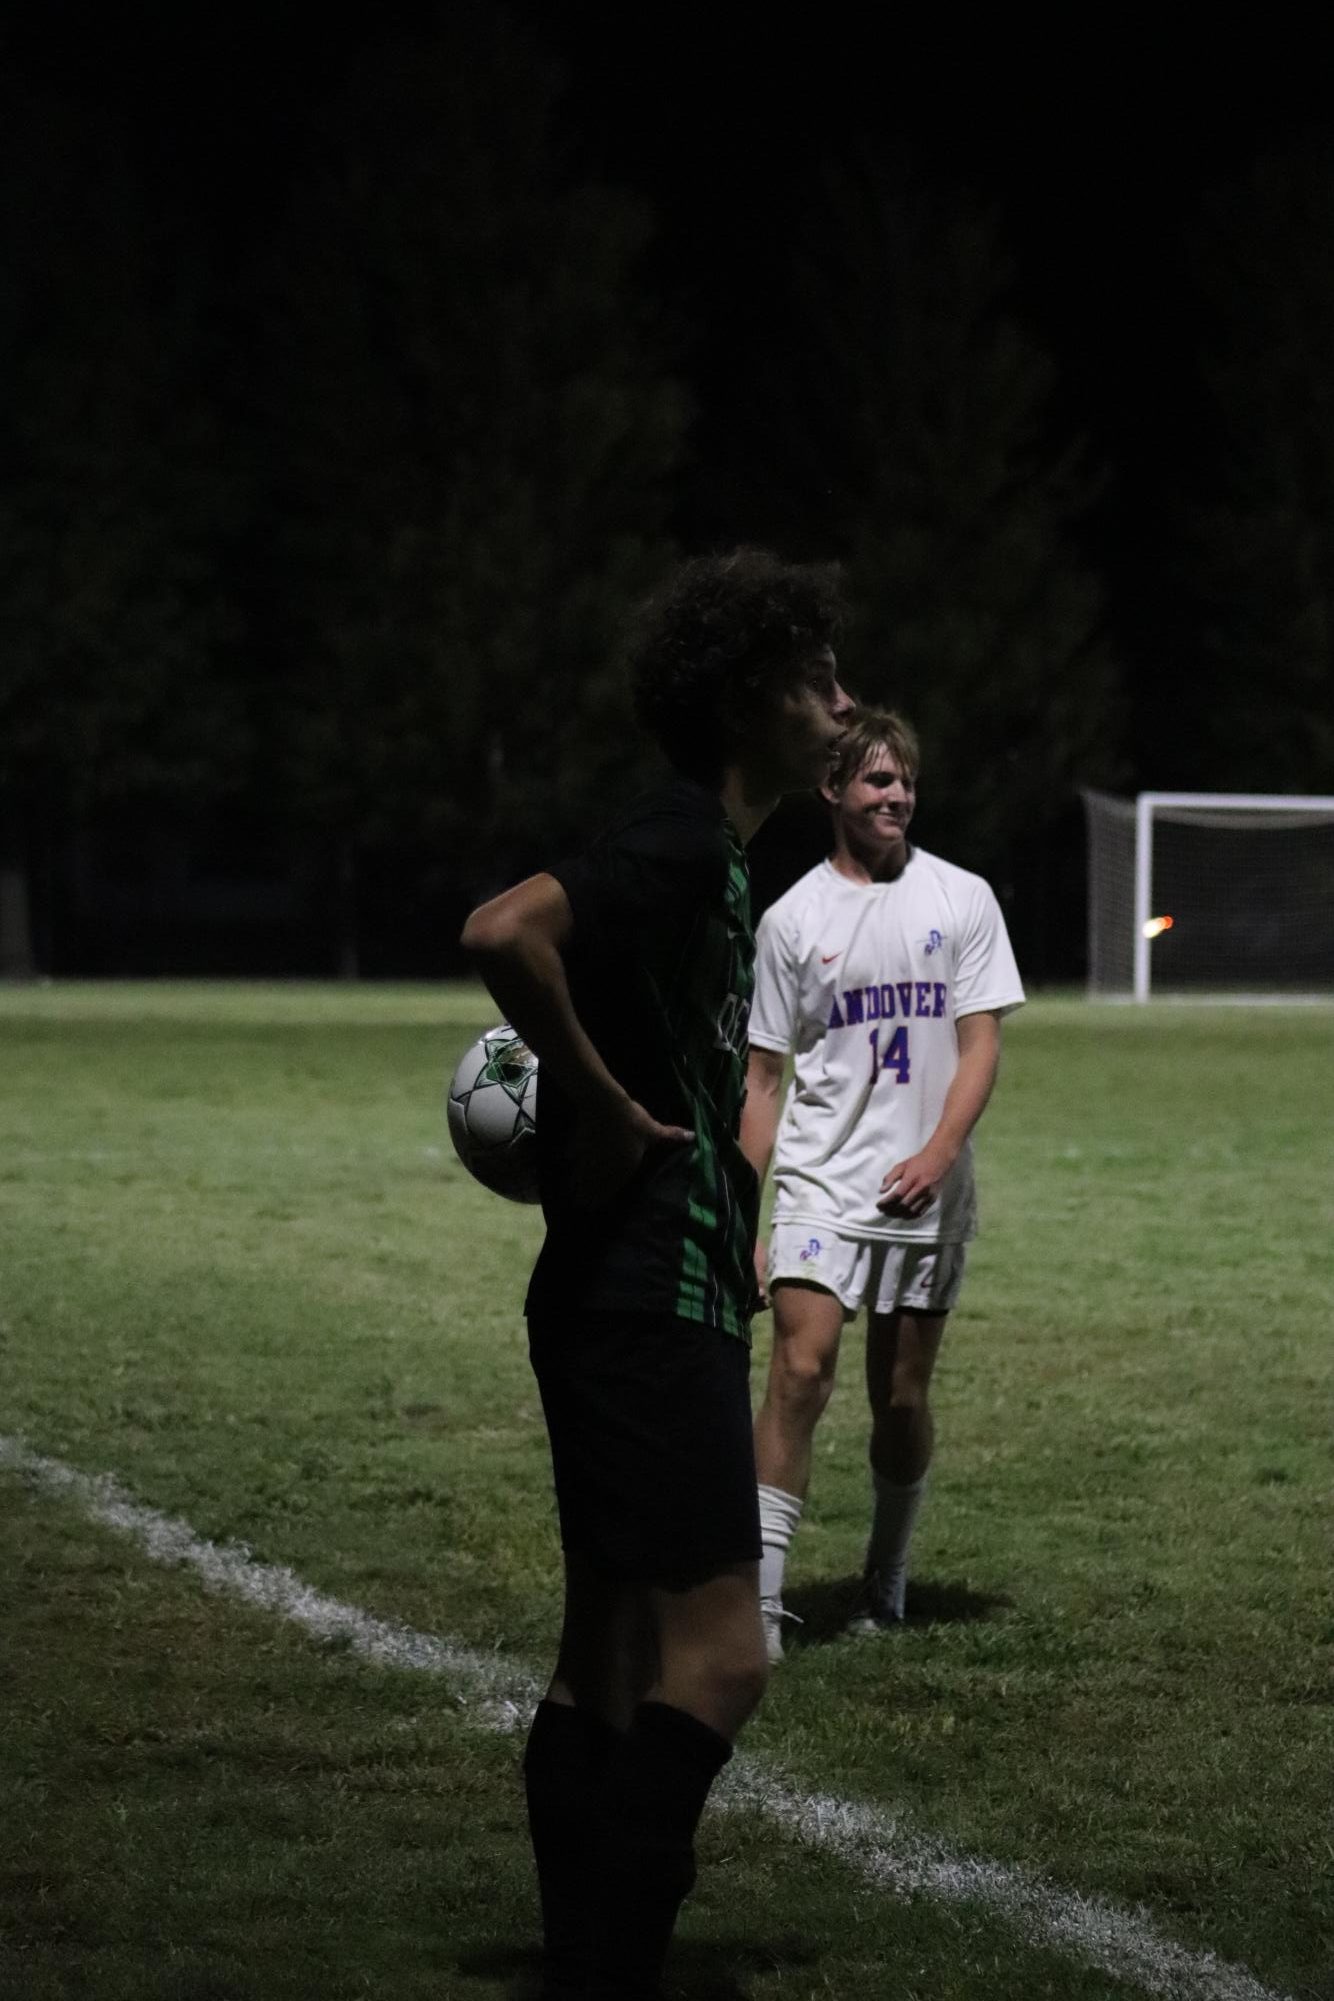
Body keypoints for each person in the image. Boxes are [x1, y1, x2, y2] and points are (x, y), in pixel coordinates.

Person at [460, 548, 853, 2001]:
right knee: (723, 1657)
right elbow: (503, 929)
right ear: (748, 696)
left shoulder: (711, 848)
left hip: (610, 1289)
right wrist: (606, 1098)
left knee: (609, 1651)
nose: (841, 705)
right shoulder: (685, 841)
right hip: (646, 1299)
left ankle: (587, 1959)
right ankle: (611, 1965)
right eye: (818, 681)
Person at [741, 705, 1025, 1665]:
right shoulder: (791, 920)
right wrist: (750, 1206)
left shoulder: (963, 898)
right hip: (822, 1182)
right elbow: (763, 1077)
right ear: (832, 790)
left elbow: (982, 1044)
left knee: (899, 1401)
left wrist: (940, 1151)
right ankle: (764, 1604)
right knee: (799, 1369)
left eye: (903, 779)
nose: (896, 794)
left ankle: (886, 1578)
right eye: (875, 780)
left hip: (925, 1189)